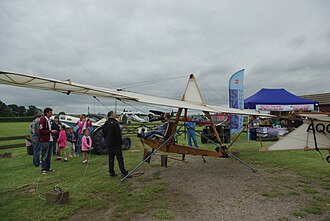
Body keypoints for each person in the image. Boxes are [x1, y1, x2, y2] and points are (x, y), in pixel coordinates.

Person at [102, 111, 131, 178]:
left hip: (109, 143)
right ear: (111, 115)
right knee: (120, 159)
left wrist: (107, 140)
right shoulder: (115, 124)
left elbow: (104, 133)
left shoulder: (105, 124)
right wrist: (121, 143)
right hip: (116, 144)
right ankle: (123, 172)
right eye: (114, 114)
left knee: (111, 158)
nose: (115, 115)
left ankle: (111, 171)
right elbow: (118, 135)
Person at [39, 107, 57, 174]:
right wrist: (50, 131)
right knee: (44, 155)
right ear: (47, 113)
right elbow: (41, 131)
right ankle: (43, 169)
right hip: (45, 140)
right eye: (50, 112)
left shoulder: (49, 120)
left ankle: (48, 168)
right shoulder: (42, 120)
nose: (51, 113)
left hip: (50, 139)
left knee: (49, 155)